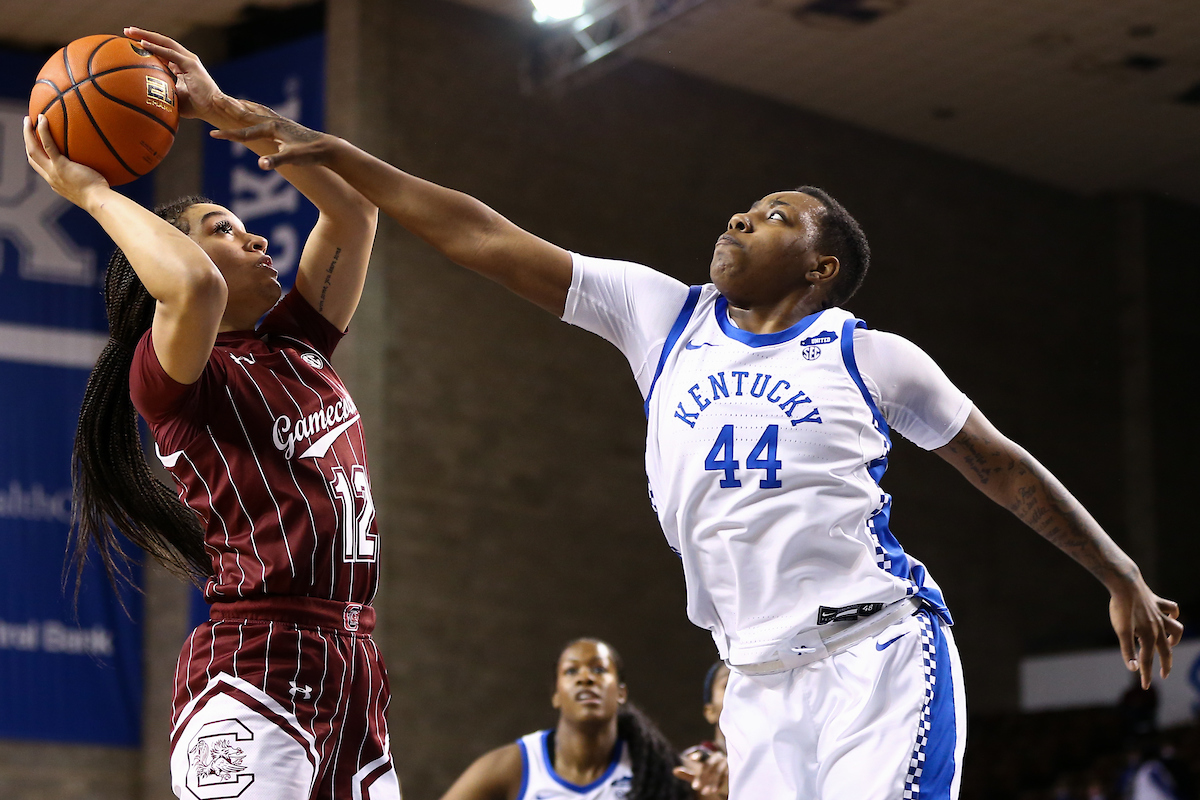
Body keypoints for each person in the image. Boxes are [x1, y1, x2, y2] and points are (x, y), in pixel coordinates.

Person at [211, 101, 1185, 800]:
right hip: (754, 681)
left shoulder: (868, 352)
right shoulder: (662, 316)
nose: (736, 217)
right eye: (739, 208)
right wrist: (339, 153)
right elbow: (481, 235)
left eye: (770, 215)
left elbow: (1002, 465)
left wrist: (1120, 572)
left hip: (877, 656)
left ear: (821, 266)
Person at [24, 29, 399, 800]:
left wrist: (224, 111)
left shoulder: (299, 343)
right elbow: (195, 288)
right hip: (255, 664)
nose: (255, 234)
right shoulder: (174, 382)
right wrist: (93, 193)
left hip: (353, 661)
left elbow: (355, 208)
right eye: (222, 227)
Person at [438, 638, 691, 800]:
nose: (585, 678)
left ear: (621, 692)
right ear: (556, 695)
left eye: (599, 669)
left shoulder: (653, 765)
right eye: (571, 671)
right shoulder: (518, 764)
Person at [674, 662, 729, 799]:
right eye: (727, 685)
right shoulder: (693, 764)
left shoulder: (784, 761)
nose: (740, 693)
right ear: (710, 712)